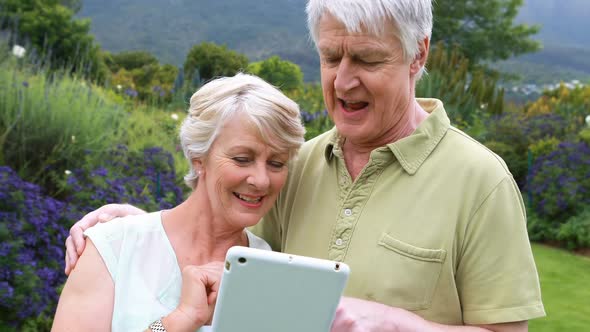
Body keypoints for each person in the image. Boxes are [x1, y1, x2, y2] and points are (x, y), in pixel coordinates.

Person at [64, 0, 546, 331]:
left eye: (367, 59)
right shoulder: (297, 166)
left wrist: (396, 323)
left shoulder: (482, 182)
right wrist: (133, 229)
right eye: (331, 56)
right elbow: (222, 233)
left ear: (417, 54)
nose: (343, 80)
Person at [52, 73, 306, 332]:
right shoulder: (115, 248)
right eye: (242, 159)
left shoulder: (269, 273)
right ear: (198, 156)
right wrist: (180, 320)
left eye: (276, 163)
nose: (261, 180)